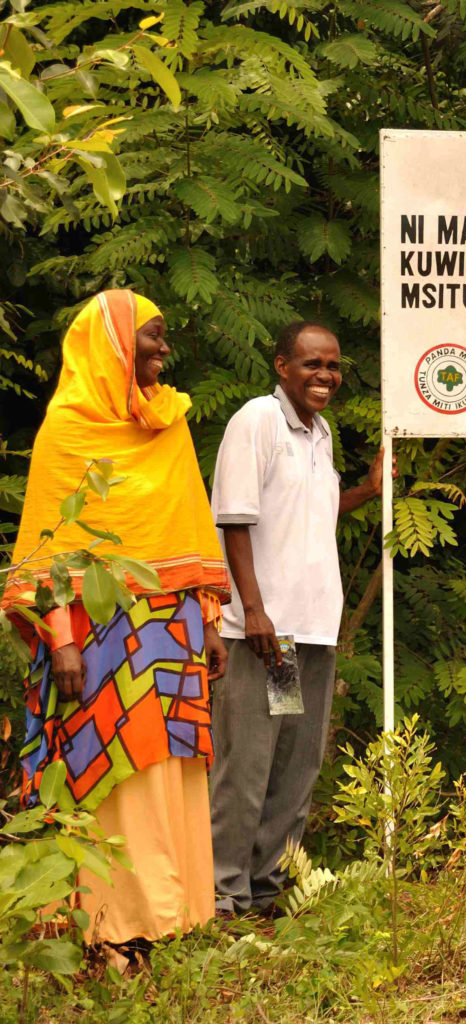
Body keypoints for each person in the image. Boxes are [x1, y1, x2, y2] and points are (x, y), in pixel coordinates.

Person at [2, 290, 230, 951]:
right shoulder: (67, 430)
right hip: (96, 637)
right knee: (104, 773)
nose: (164, 348)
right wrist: (62, 644)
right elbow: (48, 552)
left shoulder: (170, 423)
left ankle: (168, 921)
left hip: (171, 632)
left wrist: (211, 622)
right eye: (152, 337)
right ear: (114, 347)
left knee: (165, 772)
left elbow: (192, 526)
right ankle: (106, 931)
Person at [208, 321, 387, 915]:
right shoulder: (257, 420)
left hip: (309, 632)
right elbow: (234, 519)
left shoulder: (320, 432)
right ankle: (223, 892)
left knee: (294, 763)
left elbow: (317, 508)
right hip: (269, 634)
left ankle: (267, 889)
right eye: (312, 364)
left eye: (333, 366)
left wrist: (368, 488)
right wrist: (252, 609)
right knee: (250, 761)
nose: (325, 376)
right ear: (282, 365)